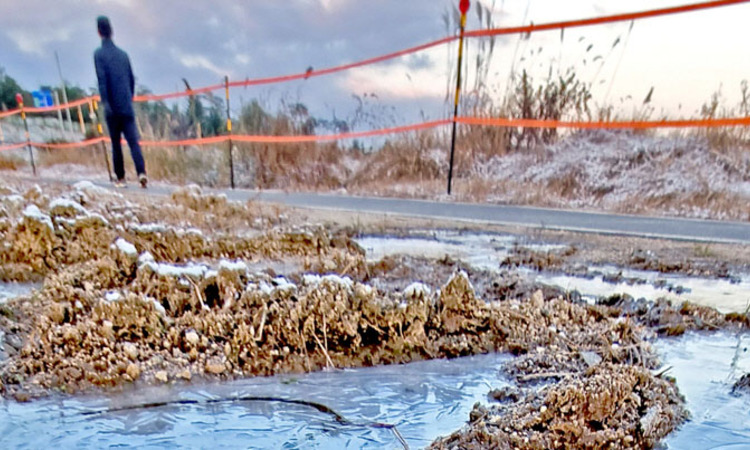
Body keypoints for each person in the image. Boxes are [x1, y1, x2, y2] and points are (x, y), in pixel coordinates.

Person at [94, 16, 147, 188]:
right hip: (126, 104)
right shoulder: (123, 55)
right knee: (133, 142)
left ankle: (121, 178)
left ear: (99, 32)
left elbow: (102, 81)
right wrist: (128, 98)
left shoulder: (99, 55)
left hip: (112, 107)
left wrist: (106, 103)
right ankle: (141, 173)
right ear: (112, 30)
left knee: (116, 144)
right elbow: (131, 79)